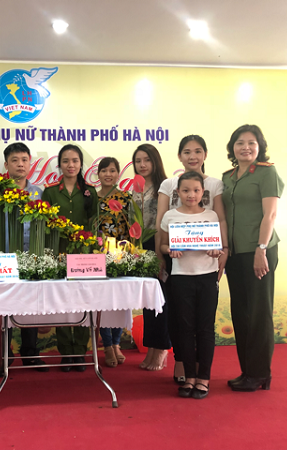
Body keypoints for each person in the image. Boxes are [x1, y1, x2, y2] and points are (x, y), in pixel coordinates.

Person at [156, 135, 229, 384]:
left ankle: (204, 378)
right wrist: (168, 251)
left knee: (205, 328)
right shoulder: (170, 215)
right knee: (184, 327)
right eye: (186, 191)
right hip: (181, 277)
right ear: (177, 192)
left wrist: (218, 250)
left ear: (203, 192)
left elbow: (216, 242)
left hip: (207, 276)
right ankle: (188, 376)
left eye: (196, 191)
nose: (191, 194)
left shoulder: (211, 216)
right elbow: (163, 243)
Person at [222, 124, 284, 392]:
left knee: (258, 312)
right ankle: (247, 370)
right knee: (241, 312)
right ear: (232, 147)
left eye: (251, 143)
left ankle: (260, 374)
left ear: (260, 147)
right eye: (240, 142)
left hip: (259, 251)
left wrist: (261, 249)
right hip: (235, 252)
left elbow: (270, 214)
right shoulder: (228, 177)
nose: (245, 147)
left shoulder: (267, 172)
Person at [0, 142, 49, 374]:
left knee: (31, 307)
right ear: (6, 165)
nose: (20, 164)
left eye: (24, 160)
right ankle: (4, 356)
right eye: (15, 160)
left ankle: (30, 354)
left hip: (31, 258)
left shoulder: (38, 192)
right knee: (3, 307)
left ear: (30, 163)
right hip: (2, 259)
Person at [42, 144, 97, 372]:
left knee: (84, 301)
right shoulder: (50, 192)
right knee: (62, 302)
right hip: (59, 253)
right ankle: (66, 353)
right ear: (59, 164)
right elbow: (45, 225)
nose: (70, 165)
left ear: (81, 164)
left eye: (75, 160)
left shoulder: (90, 192)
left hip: (84, 255)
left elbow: (94, 224)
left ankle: (81, 352)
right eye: (65, 161)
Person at [130, 144, 171, 371]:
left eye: (147, 160)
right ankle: (151, 348)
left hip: (159, 245)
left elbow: (163, 222)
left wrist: (159, 253)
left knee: (161, 301)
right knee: (148, 301)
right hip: (141, 248)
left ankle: (162, 348)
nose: (142, 164)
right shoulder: (135, 188)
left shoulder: (164, 187)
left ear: (155, 161)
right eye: (138, 161)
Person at [94, 157, 131, 367]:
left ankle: (116, 344)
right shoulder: (92, 197)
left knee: (120, 301)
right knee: (102, 301)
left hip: (121, 255)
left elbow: (132, 227)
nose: (108, 174)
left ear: (118, 174)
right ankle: (107, 345)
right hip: (97, 254)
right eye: (104, 171)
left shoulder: (126, 198)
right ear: (98, 174)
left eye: (112, 170)